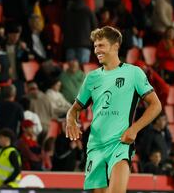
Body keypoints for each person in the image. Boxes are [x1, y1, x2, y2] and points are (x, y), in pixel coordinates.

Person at [66, 26, 162, 193]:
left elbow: (156, 105)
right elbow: (74, 109)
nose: (96, 50)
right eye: (95, 46)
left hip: (120, 144)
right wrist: (70, 120)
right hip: (95, 147)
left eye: (101, 45)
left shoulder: (134, 73)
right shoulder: (92, 78)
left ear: (116, 46)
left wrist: (134, 129)